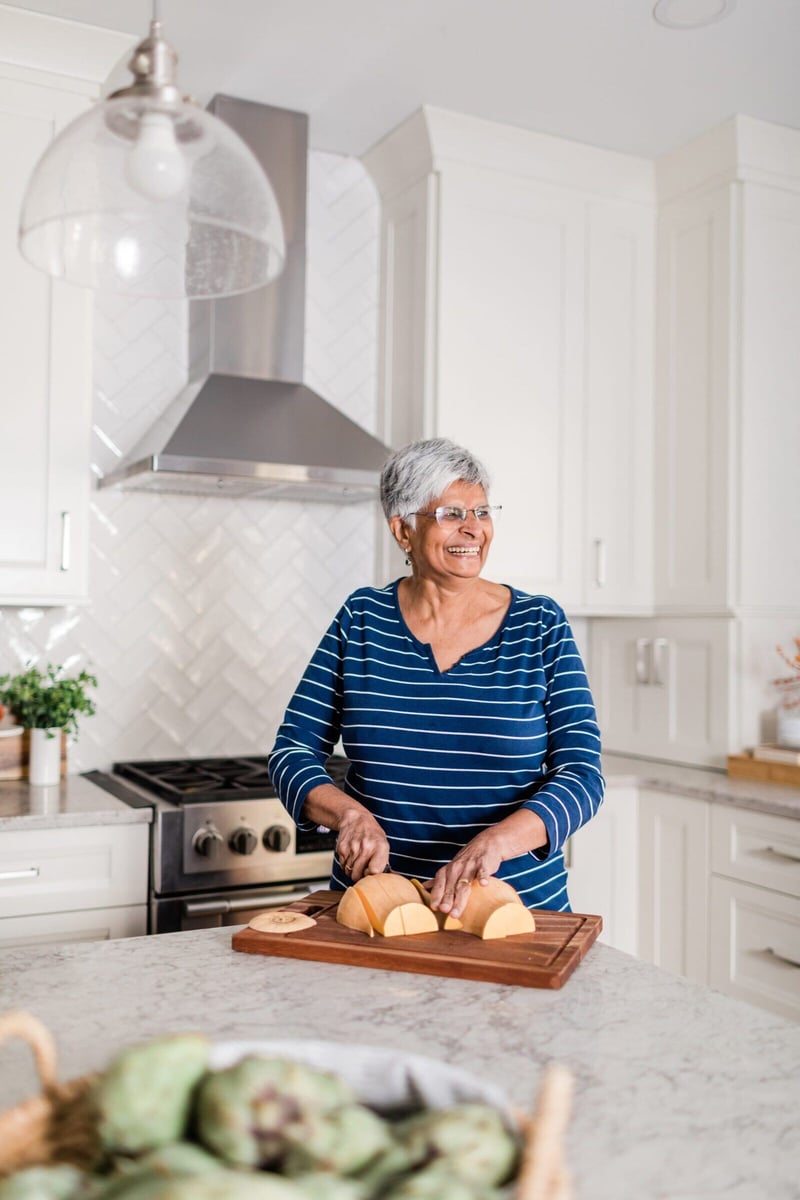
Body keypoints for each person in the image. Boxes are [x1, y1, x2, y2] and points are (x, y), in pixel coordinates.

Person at [269, 437, 604, 919]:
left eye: (482, 512)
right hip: (377, 908)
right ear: (403, 531)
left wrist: (495, 843)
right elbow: (292, 751)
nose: (473, 529)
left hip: (511, 910)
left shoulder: (540, 625)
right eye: (450, 513)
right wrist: (349, 815)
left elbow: (582, 774)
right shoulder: (361, 618)